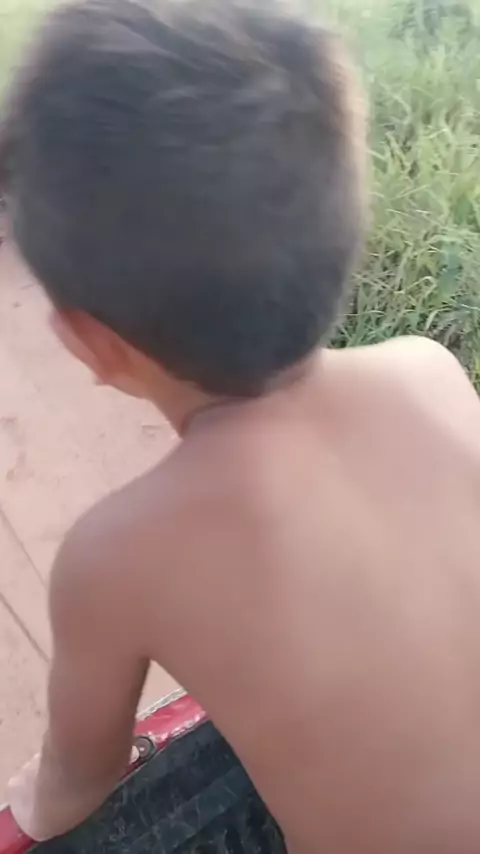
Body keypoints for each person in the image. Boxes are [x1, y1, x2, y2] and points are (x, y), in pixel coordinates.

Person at [3, 0, 480, 851]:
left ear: (90, 344)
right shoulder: (429, 370)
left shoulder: (116, 556)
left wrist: (33, 804)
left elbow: (77, 779)